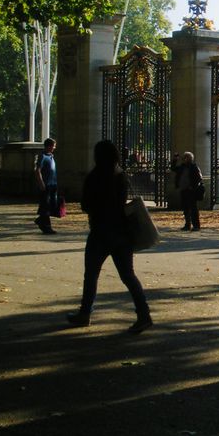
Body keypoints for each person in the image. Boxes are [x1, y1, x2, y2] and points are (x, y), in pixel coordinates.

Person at [68, 140, 152, 333]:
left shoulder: (94, 176)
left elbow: (86, 205)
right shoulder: (120, 175)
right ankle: (144, 314)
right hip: (122, 232)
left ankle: (85, 313)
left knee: (91, 275)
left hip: (100, 231)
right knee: (128, 276)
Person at [173, 151, 204, 231]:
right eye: (183, 157)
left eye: (185, 157)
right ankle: (187, 225)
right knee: (185, 208)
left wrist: (192, 187)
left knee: (193, 209)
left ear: (189, 159)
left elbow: (199, 178)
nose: (183, 159)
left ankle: (196, 226)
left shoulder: (194, 167)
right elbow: (173, 168)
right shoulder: (182, 166)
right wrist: (175, 159)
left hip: (191, 191)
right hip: (183, 189)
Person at [33, 137, 59, 234]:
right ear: (49, 146)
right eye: (53, 146)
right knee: (46, 206)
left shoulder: (51, 156)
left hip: (53, 184)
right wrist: (41, 183)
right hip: (46, 185)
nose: (54, 148)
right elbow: (37, 170)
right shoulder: (42, 156)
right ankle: (46, 227)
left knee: (53, 205)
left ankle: (40, 219)